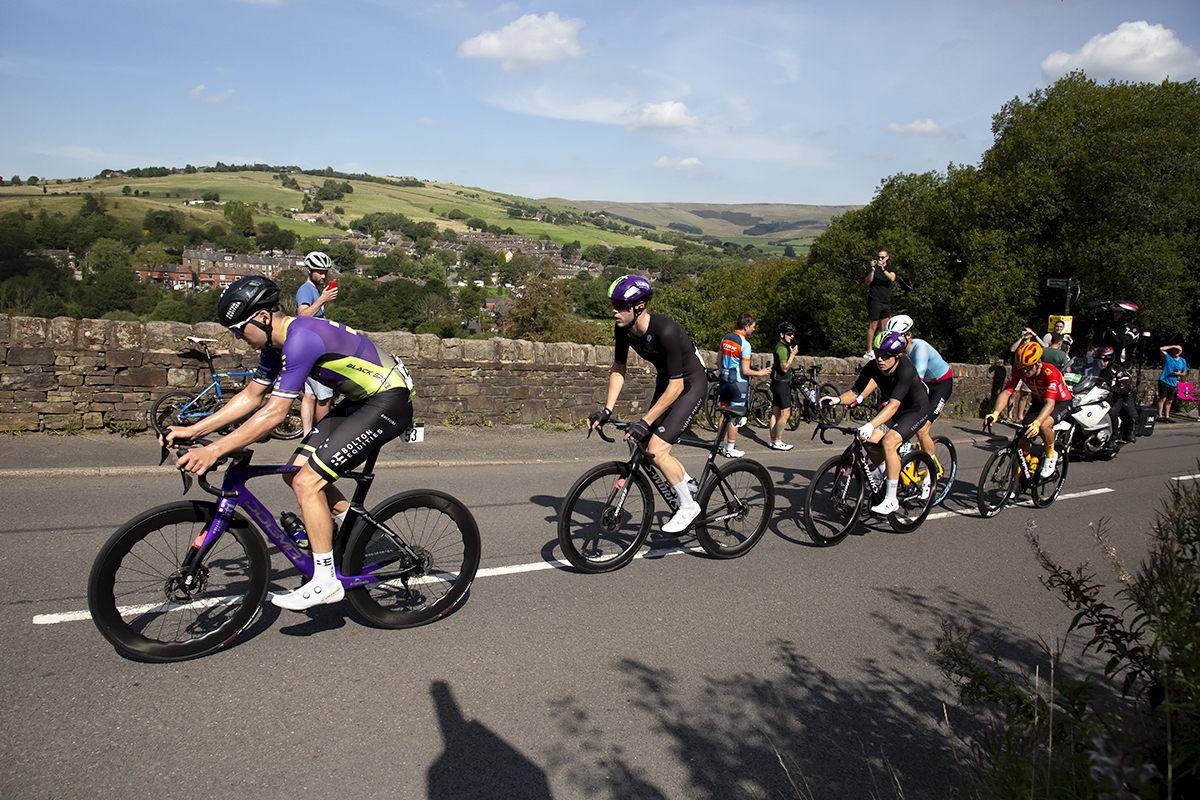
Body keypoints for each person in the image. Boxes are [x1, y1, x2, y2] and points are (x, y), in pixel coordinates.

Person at [162, 275, 416, 611]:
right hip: (361, 400)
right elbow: (251, 396)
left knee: (307, 482)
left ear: (263, 318)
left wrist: (213, 450)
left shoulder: (301, 338)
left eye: (240, 329)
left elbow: (275, 413)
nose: (239, 337)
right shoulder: (273, 345)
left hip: (388, 400)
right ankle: (371, 540)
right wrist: (195, 431)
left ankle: (326, 581)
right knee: (293, 472)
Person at [587, 275, 707, 534]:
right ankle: (685, 480)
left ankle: (688, 506)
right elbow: (619, 368)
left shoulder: (666, 330)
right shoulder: (623, 329)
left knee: (656, 448)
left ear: (639, 307)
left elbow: (677, 386)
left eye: (620, 306)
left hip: (689, 384)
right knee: (640, 441)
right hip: (668, 382)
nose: (614, 311)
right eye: (613, 304)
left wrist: (645, 421)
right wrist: (607, 409)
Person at [820, 331, 930, 515]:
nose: (881, 360)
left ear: (898, 356)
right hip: (894, 410)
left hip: (915, 410)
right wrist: (836, 400)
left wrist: (871, 424)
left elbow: (894, 406)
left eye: (886, 356)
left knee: (888, 442)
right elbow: (855, 392)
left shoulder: (906, 369)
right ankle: (885, 474)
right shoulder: (872, 367)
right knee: (869, 441)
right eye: (878, 354)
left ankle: (891, 500)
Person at [986, 340, 1073, 478]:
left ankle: (1051, 454)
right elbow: (1007, 392)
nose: (1024, 371)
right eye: (1021, 367)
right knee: (1022, 436)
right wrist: (995, 413)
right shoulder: (1020, 370)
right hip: (1039, 403)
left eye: (1027, 367)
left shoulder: (1050, 372)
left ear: (1038, 363)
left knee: (1044, 425)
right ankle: (1019, 480)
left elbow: (1050, 404)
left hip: (1060, 402)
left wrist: (1037, 423)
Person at [884, 315, 952, 473]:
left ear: (908, 335)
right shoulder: (898, 353)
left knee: (922, 428)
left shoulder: (920, 348)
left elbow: (917, 378)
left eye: (898, 337)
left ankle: (932, 470)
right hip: (922, 386)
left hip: (940, 385)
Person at [296, 251, 339, 434]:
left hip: (307, 348)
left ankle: (307, 435)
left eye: (326, 272)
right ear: (309, 270)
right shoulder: (306, 289)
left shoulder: (313, 289)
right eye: (320, 272)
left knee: (309, 395)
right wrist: (323, 299)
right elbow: (302, 315)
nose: (323, 276)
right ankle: (323, 436)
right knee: (325, 397)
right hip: (313, 351)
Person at [717, 314, 771, 457]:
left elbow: (718, 362)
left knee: (724, 413)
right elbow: (746, 370)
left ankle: (719, 445)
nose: (753, 329)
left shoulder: (725, 338)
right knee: (735, 417)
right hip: (738, 383)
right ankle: (730, 449)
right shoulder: (745, 344)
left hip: (724, 380)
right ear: (746, 326)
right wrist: (761, 373)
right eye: (753, 327)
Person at [768, 322, 799, 451]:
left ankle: (773, 439)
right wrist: (792, 355)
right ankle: (778, 441)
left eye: (793, 334)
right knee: (785, 413)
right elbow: (784, 368)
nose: (792, 337)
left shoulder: (782, 346)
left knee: (776, 412)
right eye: (789, 334)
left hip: (776, 382)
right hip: (781, 383)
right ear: (782, 334)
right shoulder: (781, 348)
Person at [864, 250, 896, 358]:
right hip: (875, 300)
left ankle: (877, 348)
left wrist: (883, 269)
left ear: (887, 257)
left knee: (884, 328)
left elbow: (892, 278)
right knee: (872, 326)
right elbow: (868, 282)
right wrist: (873, 270)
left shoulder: (890, 268)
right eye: (879, 257)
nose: (880, 259)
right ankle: (869, 351)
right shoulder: (871, 268)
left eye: (882, 257)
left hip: (886, 301)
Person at [1157, 344, 1187, 423]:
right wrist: (1173, 346)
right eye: (1175, 350)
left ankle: (1167, 416)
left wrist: (1179, 374)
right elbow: (1161, 348)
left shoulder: (1182, 361)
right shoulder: (1168, 357)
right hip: (1164, 380)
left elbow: (1185, 372)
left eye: (1178, 350)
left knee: (1170, 400)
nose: (1176, 351)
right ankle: (1160, 415)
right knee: (1162, 398)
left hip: (1173, 382)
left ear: (1181, 352)